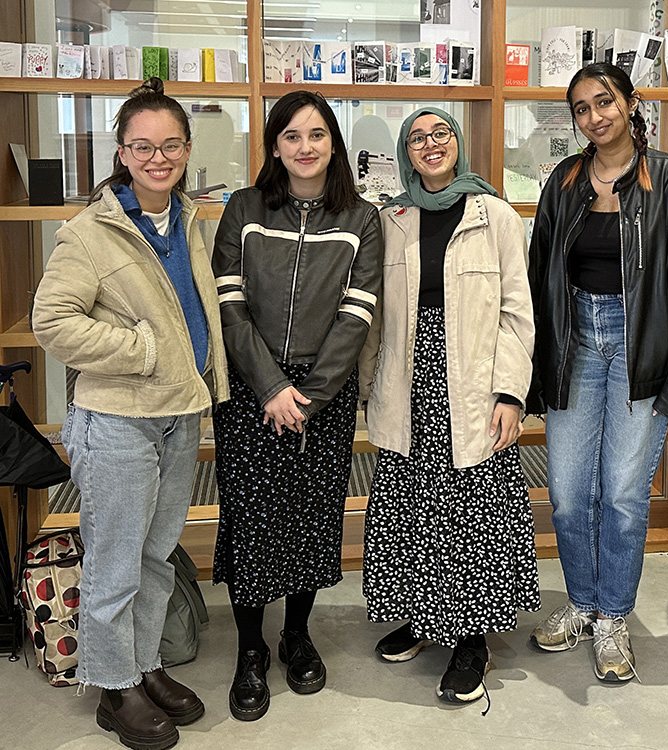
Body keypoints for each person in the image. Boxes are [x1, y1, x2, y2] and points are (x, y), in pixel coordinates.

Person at [32, 77, 228, 750]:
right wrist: (142, 349)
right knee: (115, 561)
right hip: (117, 419)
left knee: (154, 557)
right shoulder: (92, 232)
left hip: (179, 415)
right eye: (142, 146)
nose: (157, 157)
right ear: (121, 151)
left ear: (186, 148)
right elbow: (52, 322)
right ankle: (113, 688)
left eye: (170, 145)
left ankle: (144, 667)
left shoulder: (188, 216)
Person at [527, 63, 668, 682]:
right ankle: (581, 601)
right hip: (575, 343)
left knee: (625, 497)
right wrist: (535, 365)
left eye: (604, 101)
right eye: (581, 108)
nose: (595, 116)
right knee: (572, 494)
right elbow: (540, 280)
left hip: (643, 348)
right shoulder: (565, 179)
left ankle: (613, 617)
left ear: (631, 103)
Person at [359, 107, 539, 709]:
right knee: (411, 503)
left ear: (457, 144)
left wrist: (511, 392)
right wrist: (367, 386)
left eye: (440, 135)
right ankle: (419, 613)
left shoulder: (496, 215)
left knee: (472, 512)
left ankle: (470, 639)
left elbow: (518, 312)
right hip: (408, 379)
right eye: (417, 137)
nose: (430, 145)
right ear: (406, 152)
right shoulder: (392, 219)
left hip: (472, 379)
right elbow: (374, 315)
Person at [211, 91, 383, 721]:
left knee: (313, 520)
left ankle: (297, 634)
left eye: (316, 135)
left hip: (323, 394)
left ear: (333, 143)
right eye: (291, 136)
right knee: (253, 520)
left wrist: (309, 395)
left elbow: (357, 313)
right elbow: (228, 305)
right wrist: (270, 387)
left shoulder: (362, 218)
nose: (304, 147)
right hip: (252, 389)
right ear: (274, 146)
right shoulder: (244, 209)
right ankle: (250, 650)